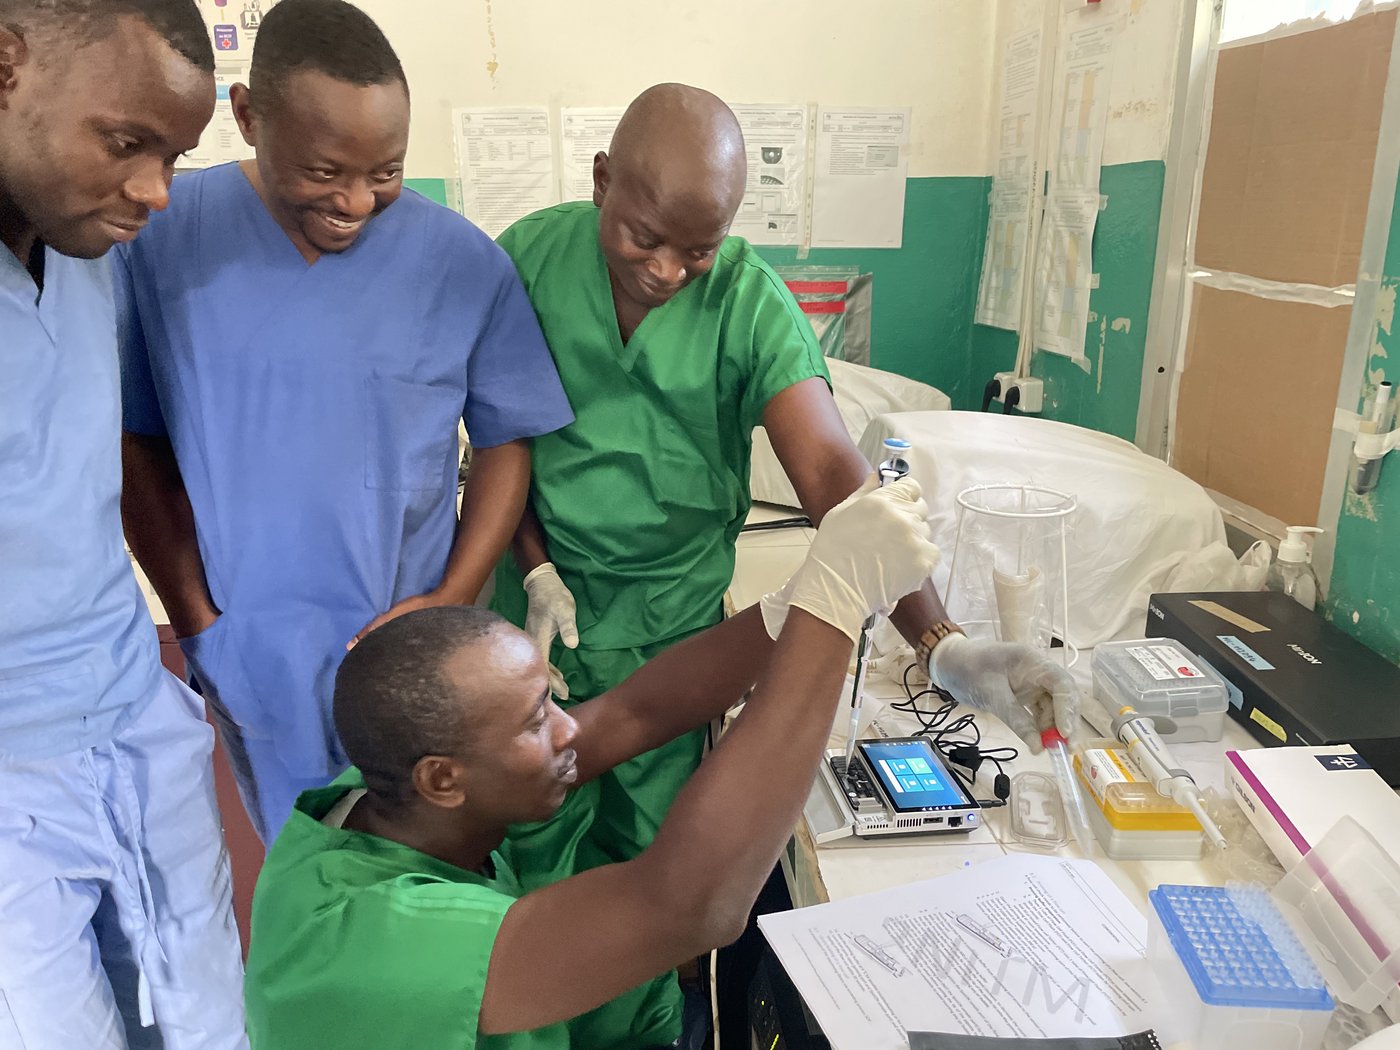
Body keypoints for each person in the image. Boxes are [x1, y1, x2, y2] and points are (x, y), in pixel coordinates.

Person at [492, 82, 1083, 1044]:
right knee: (525, 860)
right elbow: (499, 439)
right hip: (532, 615)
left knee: (656, 887)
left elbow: (837, 480)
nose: (672, 270)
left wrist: (940, 641)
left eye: (701, 247)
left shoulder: (747, 299)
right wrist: (531, 567)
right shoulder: (526, 258)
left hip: (669, 634)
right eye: (645, 237)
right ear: (602, 183)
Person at [244, 476, 953, 1049]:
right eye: (535, 721)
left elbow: (628, 714)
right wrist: (834, 606)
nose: (567, 729)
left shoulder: (396, 790)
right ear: (443, 779)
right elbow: (690, 906)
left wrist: (794, 604)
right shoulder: (382, 939)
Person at [116, 0, 574, 844]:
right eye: (325, 171)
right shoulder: (162, 242)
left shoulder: (462, 263)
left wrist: (453, 594)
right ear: (250, 117)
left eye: (387, 173)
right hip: (254, 644)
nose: (357, 202)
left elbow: (509, 439)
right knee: (307, 861)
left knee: (438, 861)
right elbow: (136, 441)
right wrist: (197, 620)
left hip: (418, 654)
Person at [0, 2, 249, 1047]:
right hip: (12, 772)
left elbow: (94, 455)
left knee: (206, 1020)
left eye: (175, 155)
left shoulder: (87, 250)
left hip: (128, 711)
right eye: (126, 142)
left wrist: (191, 636)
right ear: (7, 64)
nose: (154, 190)